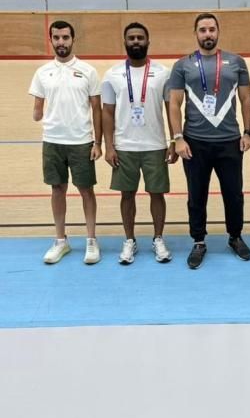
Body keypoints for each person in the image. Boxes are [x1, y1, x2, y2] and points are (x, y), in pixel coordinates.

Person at [168, 12, 250, 269]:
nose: (208, 34)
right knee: (196, 195)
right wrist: (178, 138)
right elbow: (174, 103)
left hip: (230, 141)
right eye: (203, 30)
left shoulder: (236, 62)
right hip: (195, 142)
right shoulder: (182, 65)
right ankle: (198, 241)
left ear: (218, 32)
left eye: (212, 29)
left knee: (234, 194)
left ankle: (235, 236)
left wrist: (248, 132)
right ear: (196, 33)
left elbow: (246, 99)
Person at [101, 22, 177, 265]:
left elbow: (171, 108)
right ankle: (129, 240)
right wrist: (109, 146)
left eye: (140, 38)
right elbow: (107, 112)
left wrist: (174, 140)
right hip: (124, 147)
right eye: (131, 38)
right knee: (127, 195)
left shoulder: (163, 73)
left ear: (148, 41)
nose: (136, 41)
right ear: (125, 42)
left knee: (157, 194)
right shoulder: (112, 75)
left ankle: (158, 238)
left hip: (155, 145)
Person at [29, 20, 102, 264]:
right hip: (52, 141)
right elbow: (37, 111)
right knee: (57, 189)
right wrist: (39, 111)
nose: (61, 42)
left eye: (65, 37)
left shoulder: (88, 71)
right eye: (56, 37)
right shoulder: (42, 73)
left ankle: (91, 240)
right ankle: (61, 241)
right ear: (51, 40)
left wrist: (98, 142)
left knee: (86, 190)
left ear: (73, 39)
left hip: (81, 141)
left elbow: (97, 109)